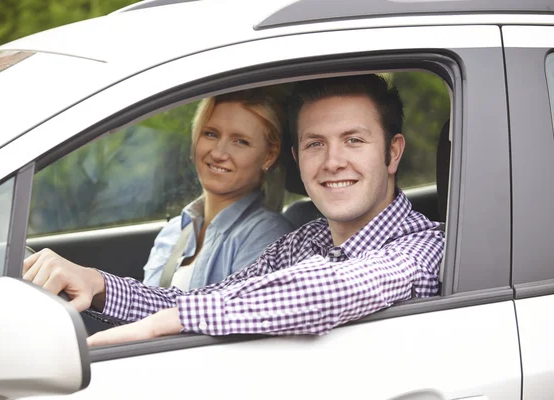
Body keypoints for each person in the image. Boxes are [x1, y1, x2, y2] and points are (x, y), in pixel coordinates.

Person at [23, 74, 444, 346]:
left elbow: (332, 289)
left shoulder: (425, 246)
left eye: (354, 140)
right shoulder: (306, 240)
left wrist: (163, 325)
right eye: (316, 143)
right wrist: (97, 284)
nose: (332, 161)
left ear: (392, 153)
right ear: (297, 158)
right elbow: (211, 298)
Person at [141, 90, 294, 290]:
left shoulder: (267, 235)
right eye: (210, 134)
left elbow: (236, 318)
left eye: (240, 141)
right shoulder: (173, 231)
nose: (218, 153)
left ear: (269, 156)